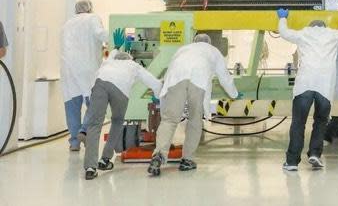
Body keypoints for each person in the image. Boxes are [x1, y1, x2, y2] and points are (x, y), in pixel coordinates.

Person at [277, 7, 338, 171]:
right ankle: (315, 154)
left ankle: (292, 162)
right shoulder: (332, 35)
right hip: (324, 87)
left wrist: (282, 17)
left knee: (298, 124)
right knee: (320, 123)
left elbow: (284, 32)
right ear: (324, 27)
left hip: (304, 86)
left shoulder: (302, 34)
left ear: (311, 26)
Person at [148, 33, 239, 176]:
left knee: (169, 120)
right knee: (195, 121)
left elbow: (170, 70)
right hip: (199, 80)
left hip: (176, 79)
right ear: (209, 42)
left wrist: (161, 92)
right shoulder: (213, 51)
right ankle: (187, 160)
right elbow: (224, 78)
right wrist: (234, 94)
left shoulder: (183, 49)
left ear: (194, 41)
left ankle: (158, 155)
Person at [83, 28, 162, 180]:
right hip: (120, 90)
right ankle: (105, 159)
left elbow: (113, 53)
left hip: (99, 85)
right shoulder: (133, 65)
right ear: (129, 58)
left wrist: (118, 46)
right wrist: (159, 96)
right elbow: (153, 82)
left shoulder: (110, 61)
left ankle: (91, 168)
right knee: (117, 121)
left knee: (94, 125)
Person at [60, 0, 108, 152]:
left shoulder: (67, 23)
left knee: (72, 106)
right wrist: (118, 36)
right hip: (88, 68)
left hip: (68, 69)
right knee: (95, 103)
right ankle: (84, 130)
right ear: (90, 9)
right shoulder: (92, 18)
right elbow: (100, 34)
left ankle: (74, 143)